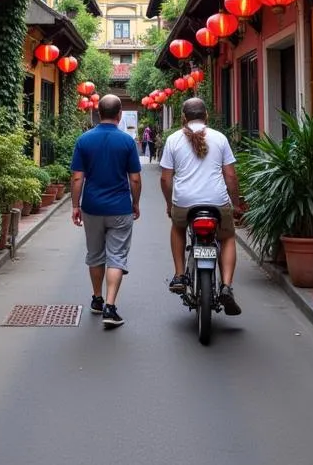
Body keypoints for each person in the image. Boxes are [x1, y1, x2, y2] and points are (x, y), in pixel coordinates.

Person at [159, 97, 242, 316]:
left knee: (177, 228)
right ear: (206, 115)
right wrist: (237, 204)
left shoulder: (173, 140)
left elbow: (166, 179)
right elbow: (231, 176)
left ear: (183, 117)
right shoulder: (220, 138)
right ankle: (226, 285)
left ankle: (179, 275)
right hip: (217, 201)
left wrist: (170, 204)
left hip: (185, 203)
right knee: (227, 238)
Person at [70, 94, 142, 329]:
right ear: (120, 114)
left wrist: (75, 205)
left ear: (98, 113)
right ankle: (110, 307)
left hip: (91, 207)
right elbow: (135, 179)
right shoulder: (127, 141)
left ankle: (97, 299)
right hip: (120, 207)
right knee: (116, 256)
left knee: (95, 254)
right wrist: (135, 203)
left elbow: (77, 177)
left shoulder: (84, 140)